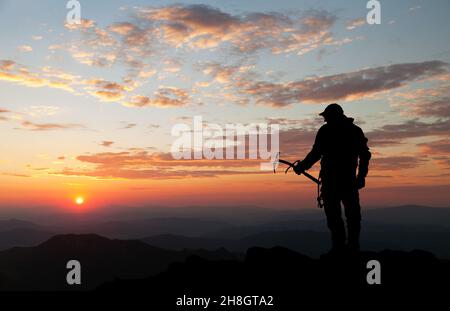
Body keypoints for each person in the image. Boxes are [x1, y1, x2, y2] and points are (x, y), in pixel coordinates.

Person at [293, 103, 371, 253]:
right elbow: (365, 156)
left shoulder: (327, 131)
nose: (325, 120)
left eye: (327, 117)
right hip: (346, 181)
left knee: (339, 216)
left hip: (335, 182)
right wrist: (361, 177)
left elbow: (316, 153)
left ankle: (342, 248)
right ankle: (348, 247)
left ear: (333, 116)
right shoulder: (353, 131)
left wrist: (302, 167)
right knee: (348, 216)